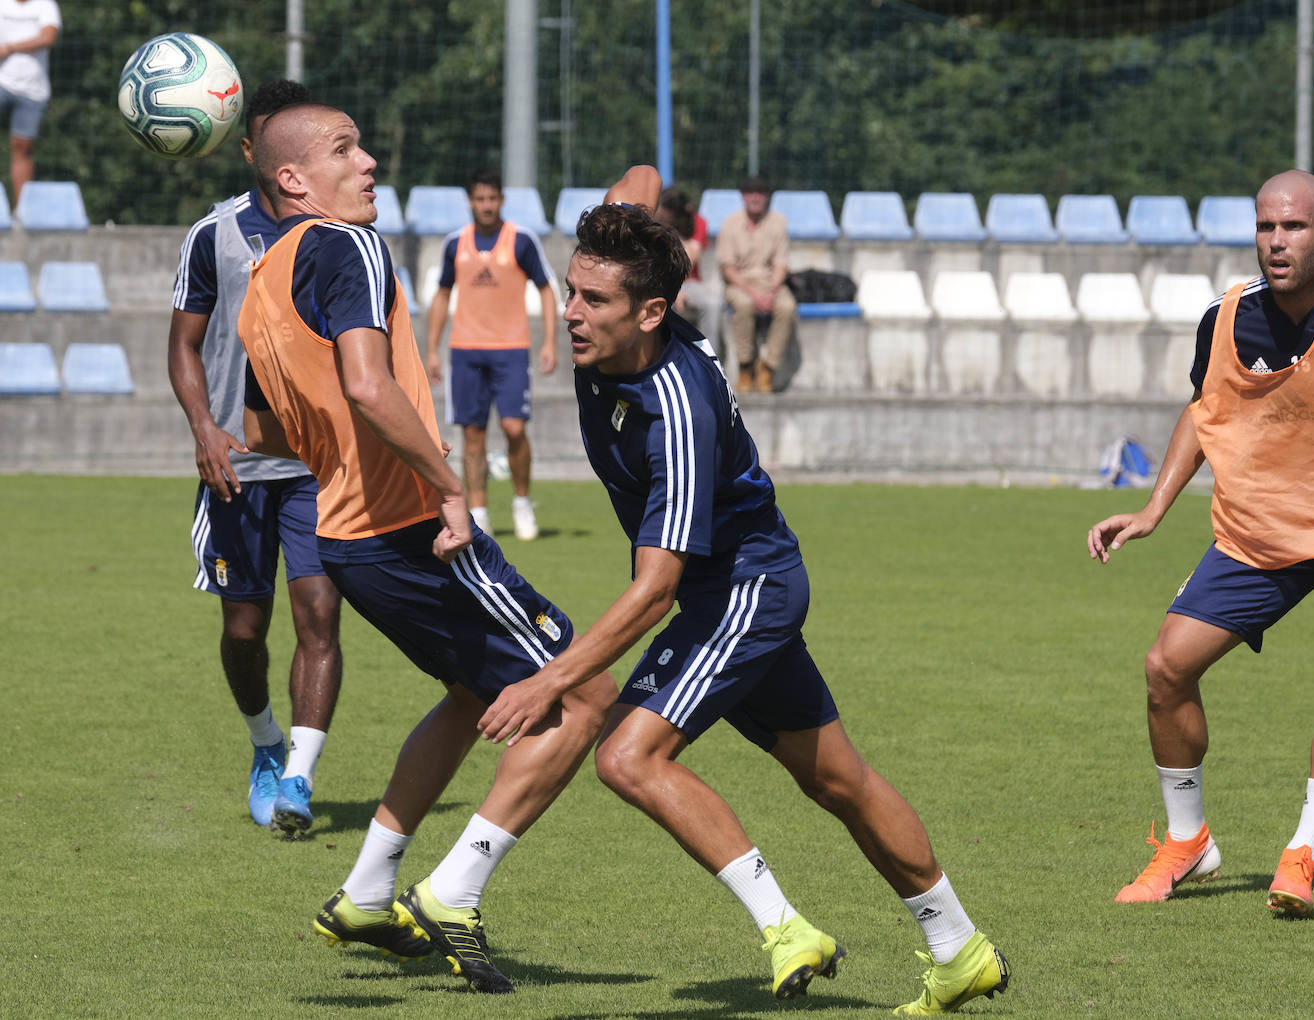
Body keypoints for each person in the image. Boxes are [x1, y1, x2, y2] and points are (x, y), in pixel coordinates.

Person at [474, 170, 1010, 1015]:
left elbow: (655, 590)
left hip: (742, 592)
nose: (570, 314)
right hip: (739, 592)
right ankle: (961, 949)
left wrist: (549, 680)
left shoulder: (674, 409)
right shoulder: (619, 323)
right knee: (839, 781)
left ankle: (786, 930)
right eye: (571, 293)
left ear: (650, 313)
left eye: (593, 301)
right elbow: (644, 180)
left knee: (626, 755)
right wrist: (625, 216)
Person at [237, 102, 618, 990]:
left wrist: (342, 460)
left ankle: (368, 893)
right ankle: (453, 890)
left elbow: (256, 426)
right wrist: (449, 489)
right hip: (413, 525)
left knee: (465, 695)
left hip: (346, 538)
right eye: (345, 149)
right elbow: (369, 387)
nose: (369, 162)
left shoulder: (263, 277)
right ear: (295, 180)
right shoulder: (351, 247)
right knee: (581, 693)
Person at [1089, 169, 1314, 918]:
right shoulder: (1226, 317)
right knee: (1165, 670)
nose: (1277, 242)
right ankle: (1189, 843)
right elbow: (1204, 408)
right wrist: (1154, 507)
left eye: (1293, 228)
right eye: (1265, 227)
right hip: (1265, 522)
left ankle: (1302, 854)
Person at [168, 79, 342, 836]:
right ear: (253, 151)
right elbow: (182, 346)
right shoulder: (214, 236)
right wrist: (205, 426)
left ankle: (298, 779)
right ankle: (266, 744)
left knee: (319, 614)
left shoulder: (339, 236)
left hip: (314, 469)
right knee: (245, 631)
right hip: (236, 469)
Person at [424, 167, 557, 541]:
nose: (486, 205)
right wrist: (432, 349)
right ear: (470, 201)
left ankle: (522, 502)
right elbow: (442, 295)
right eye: (479, 198)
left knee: (515, 429)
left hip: (511, 350)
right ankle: (479, 513)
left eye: (492, 198)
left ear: (501, 200)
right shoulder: (456, 244)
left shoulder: (521, 241)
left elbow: (547, 289)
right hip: (465, 351)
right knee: (473, 435)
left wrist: (549, 341)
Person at [716, 175, 795, 394]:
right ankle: (745, 366)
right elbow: (728, 268)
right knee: (743, 305)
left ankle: (768, 367)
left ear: (767, 197)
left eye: (760, 192)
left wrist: (771, 291)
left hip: (771, 283)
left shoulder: (778, 222)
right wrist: (752, 293)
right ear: (742, 196)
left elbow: (781, 263)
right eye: (750, 192)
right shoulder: (730, 223)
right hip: (740, 283)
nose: (755, 197)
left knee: (787, 307)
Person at [0, 0, 60, 205]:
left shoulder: (46, 5)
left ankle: (21, 211)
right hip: (2, 83)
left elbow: (48, 37)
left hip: (32, 91)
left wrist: (9, 47)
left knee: (22, 148)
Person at [654, 184, 719, 344]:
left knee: (713, 303)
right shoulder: (652, 223)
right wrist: (668, 289)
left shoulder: (698, 222)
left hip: (688, 283)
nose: (659, 214)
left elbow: (688, 260)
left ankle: (710, 357)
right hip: (657, 282)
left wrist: (673, 232)